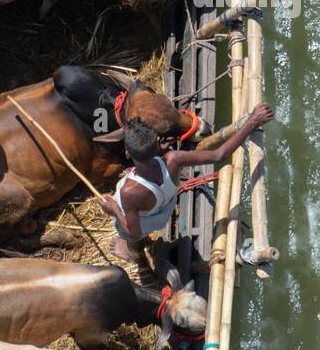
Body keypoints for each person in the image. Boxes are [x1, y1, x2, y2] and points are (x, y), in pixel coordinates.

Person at [98, 100, 275, 263]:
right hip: (163, 211)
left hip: (141, 222)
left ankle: (134, 253)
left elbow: (134, 232)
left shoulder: (129, 192)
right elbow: (220, 154)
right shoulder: (174, 159)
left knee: (131, 235)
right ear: (159, 144)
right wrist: (252, 121)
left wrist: (113, 208)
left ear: (128, 153)